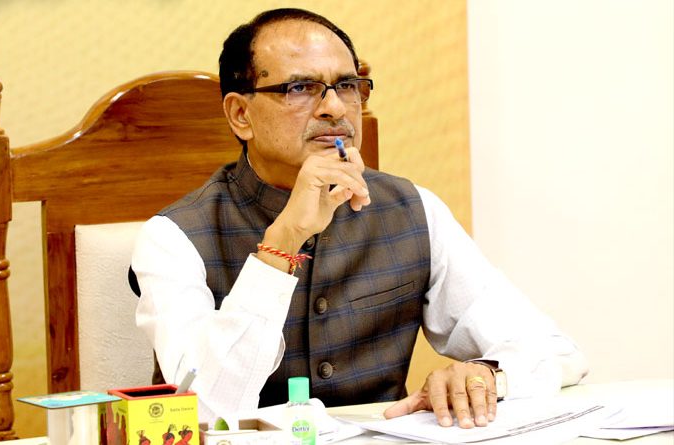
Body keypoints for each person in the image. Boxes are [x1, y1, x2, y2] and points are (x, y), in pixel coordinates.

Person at [130, 8, 588, 429]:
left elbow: (557, 351)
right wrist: (284, 240)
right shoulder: (173, 238)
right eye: (300, 88)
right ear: (240, 115)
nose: (335, 108)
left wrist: (487, 375)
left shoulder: (411, 209)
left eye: (347, 86)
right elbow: (206, 412)